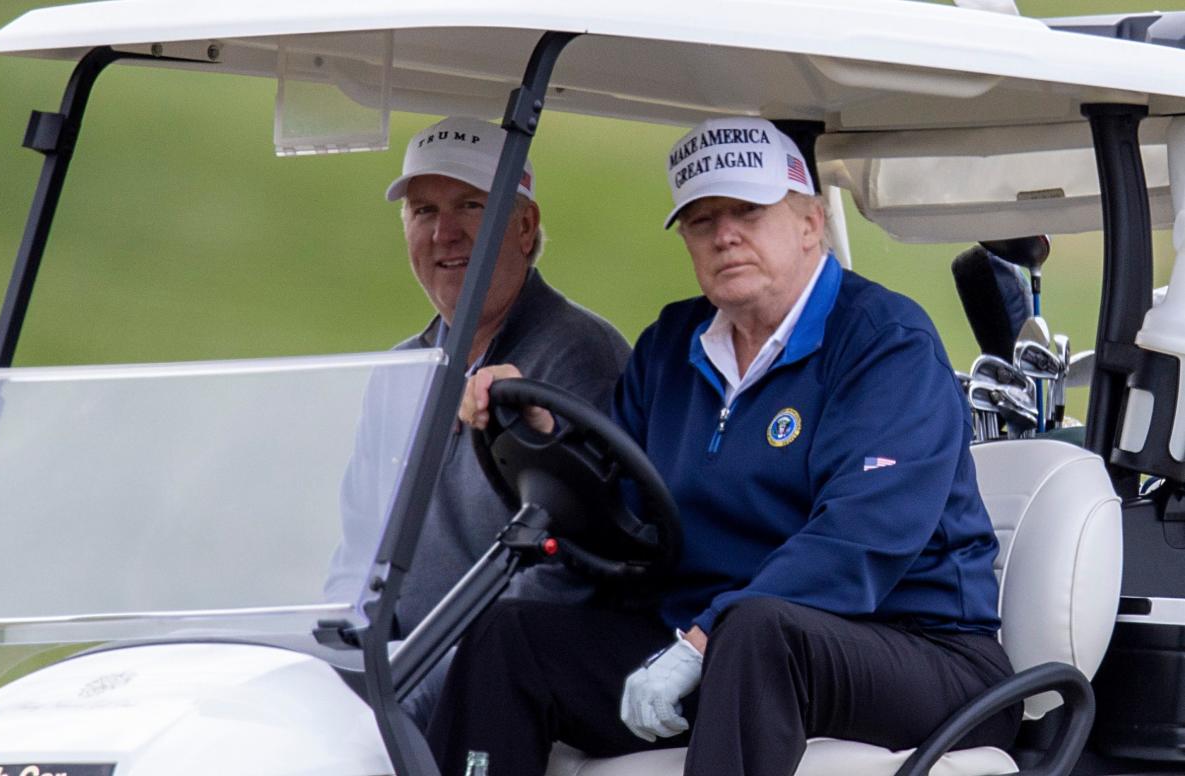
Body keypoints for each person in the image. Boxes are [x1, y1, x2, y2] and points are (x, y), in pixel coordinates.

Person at [432, 116, 1020, 775]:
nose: (724, 236)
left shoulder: (884, 341)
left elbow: (862, 537)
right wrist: (545, 436)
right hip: (715, 641)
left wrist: (704, 637)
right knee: (510, 636)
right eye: (701, 220)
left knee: (758, 631)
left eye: (746, 210)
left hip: (918, 650)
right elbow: (620, 513)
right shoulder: (671, 347)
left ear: (808, 222)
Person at [322, 116, 631, 722]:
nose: (446, 234)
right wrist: (335, 654)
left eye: (471, 206)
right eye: (423, 211)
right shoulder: (400, 371)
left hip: (505, 672)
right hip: (402, 666)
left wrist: (424, 686)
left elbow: (568, 570)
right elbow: (357, 554)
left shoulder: (577, 355)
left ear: (524, 226)